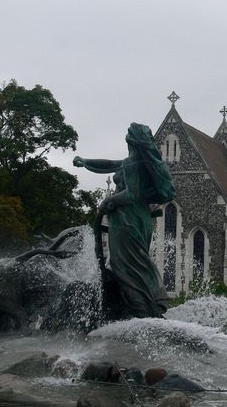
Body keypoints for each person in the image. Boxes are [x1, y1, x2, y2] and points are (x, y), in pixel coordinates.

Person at [73, 123, 175, 319]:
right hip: (138, 218)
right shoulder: (137, 162)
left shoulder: (133, 163)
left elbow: (131, 195)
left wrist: (108, 201)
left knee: (126, 267)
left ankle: (142, 311)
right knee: (137, 263)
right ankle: (144, 306)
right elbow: (110, 164)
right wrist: (85, 162)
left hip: (127, 220)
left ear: (130, 141)